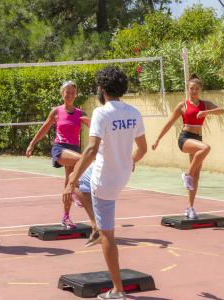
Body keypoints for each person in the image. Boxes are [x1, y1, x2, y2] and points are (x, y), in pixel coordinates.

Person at [64, 66, 147, 300]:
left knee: (107, 234)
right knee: (83, 186)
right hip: (121, 174)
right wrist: (129, 160)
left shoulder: (102, 113)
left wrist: (72, 177)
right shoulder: (134, 112)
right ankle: (94, 221)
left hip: (105, 181)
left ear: (101, 88)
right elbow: (141, 149)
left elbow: (90, 149)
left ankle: (117, 289)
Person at [151, 74, 224, 219]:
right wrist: (157, 139)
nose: (194, 91)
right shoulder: (183, 105)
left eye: (196, 88)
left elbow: (222, 111)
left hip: (197, 139)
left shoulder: (205, 104)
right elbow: (169, 123)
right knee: (205, 148)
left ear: (200, 89)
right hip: (185, 139)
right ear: (188, 89)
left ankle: (190, 208)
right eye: (191, 88)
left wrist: (206, 112)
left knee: (196, 177)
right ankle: (187, 174)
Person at [26, 81, 90, 229]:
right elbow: (44, 129)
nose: (70, 95)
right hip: (60, 149)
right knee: (83, 160)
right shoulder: (56, 111)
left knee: (69, 183)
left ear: (76, 95)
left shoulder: (81, 114)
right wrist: (32, 144)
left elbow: (96, 128)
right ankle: (77, 191)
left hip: (74, 149)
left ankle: (66, 217)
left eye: (73, 93)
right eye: (67, 92)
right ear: (62, 93)